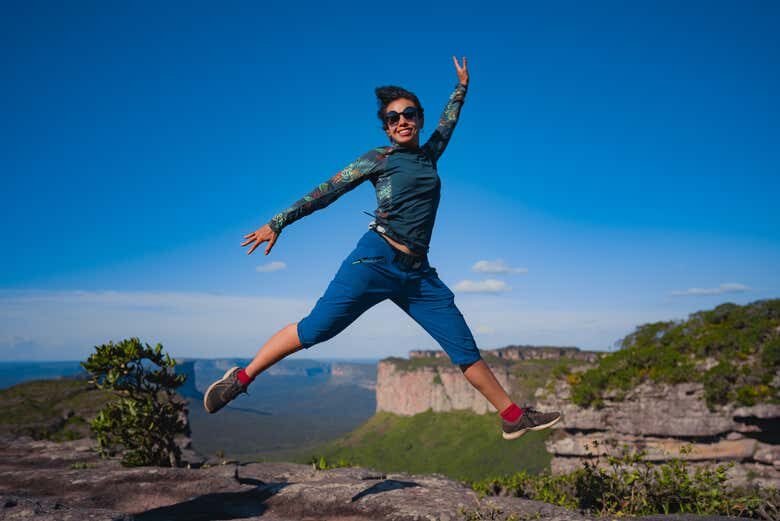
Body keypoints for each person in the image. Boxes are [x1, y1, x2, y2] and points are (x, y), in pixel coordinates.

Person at [203, 56, 561, 440]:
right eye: (394, 118)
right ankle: (240, 378)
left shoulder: (429, 155)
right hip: (374, 260)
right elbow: (327, 191)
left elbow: (449, 123)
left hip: (418, 274)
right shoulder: (378, 159)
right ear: (387, 129)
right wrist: (278, 222)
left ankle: (511, 416)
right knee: (314, 330)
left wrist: (461, 88)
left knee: (463, 347)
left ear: (419, 120)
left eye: (409, 114)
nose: (403, 121)